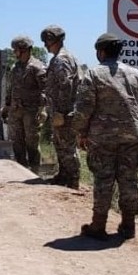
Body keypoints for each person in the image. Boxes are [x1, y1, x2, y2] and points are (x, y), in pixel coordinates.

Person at [71, 33, 138, 240]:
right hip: (132, 137)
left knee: (104, 180)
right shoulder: (136, 74)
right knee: (129, 181)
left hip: (103, 138)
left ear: (101, 51)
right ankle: (128, 226)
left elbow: (83, 109)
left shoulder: (94, 74)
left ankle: (98, 226)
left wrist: (80, 133)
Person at [41, 25, 83, 189]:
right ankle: (64, 176)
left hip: (64, 112)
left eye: (47, 41)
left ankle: (72, 180)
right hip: (60, 110)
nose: (45, 45)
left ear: (54, 41)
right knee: (60, 144)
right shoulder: (60, 58)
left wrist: (61, 112)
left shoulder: (62, 59)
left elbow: (66, 86)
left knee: (67, 147)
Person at [1, 35, 46, 172]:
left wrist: (43, 109)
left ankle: (34, 171)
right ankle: (21, 170)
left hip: (31, 112)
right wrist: (6, 106)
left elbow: (45, 90)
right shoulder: (16, 67)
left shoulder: (37, 67)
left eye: (16, 50)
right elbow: (11, 88)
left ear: (23, 50)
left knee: (32, 142)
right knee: (17, 142)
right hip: (16, 110)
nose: (14, 53)